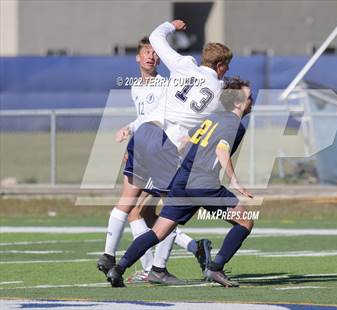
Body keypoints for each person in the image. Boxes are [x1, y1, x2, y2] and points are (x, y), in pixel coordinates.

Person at [107, 77, 254, 288]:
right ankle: (215, 268)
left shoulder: (212, 119)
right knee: (246, 221)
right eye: (249, 97)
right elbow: (222, 150)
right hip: (203, 183)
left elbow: (186, 141)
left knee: (158, 232)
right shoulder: (235, 125)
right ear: (238, 102)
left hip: (183, 180)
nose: (252, 100)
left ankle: (118, 268)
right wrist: (235, 181)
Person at [96, 37, 210, 285]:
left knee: (145, 210)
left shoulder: (164, 85)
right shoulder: (136, 86)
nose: (151, 56)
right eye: (146, 52)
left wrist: (133, 134)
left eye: (154, 53)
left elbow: (159, 119)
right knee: (142, 211)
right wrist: (132, 138)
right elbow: (144, 119)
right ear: (137, 57)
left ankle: (150, 267)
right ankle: (189, 250)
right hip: (146, 149)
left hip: (163, 150)